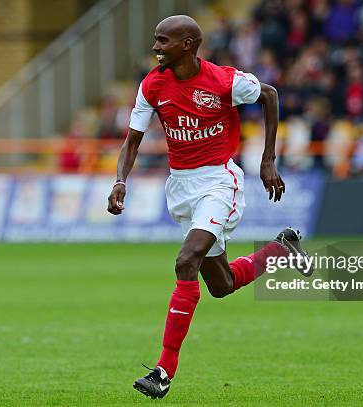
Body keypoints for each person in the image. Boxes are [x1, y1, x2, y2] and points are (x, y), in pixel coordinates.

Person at [106, 15, 311, 399]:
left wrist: (268, 161)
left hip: (219, 180)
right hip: (180, 186)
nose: (155, 48)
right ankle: (281, 250)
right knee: (222, 285)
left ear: (187, 44)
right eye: (155, 40)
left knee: (187, 260)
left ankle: (163, 371)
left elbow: (269, 94)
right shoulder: (153, 84)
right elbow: (131, 141)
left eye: (162, 41)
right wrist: (120, 181)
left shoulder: (223, 81)